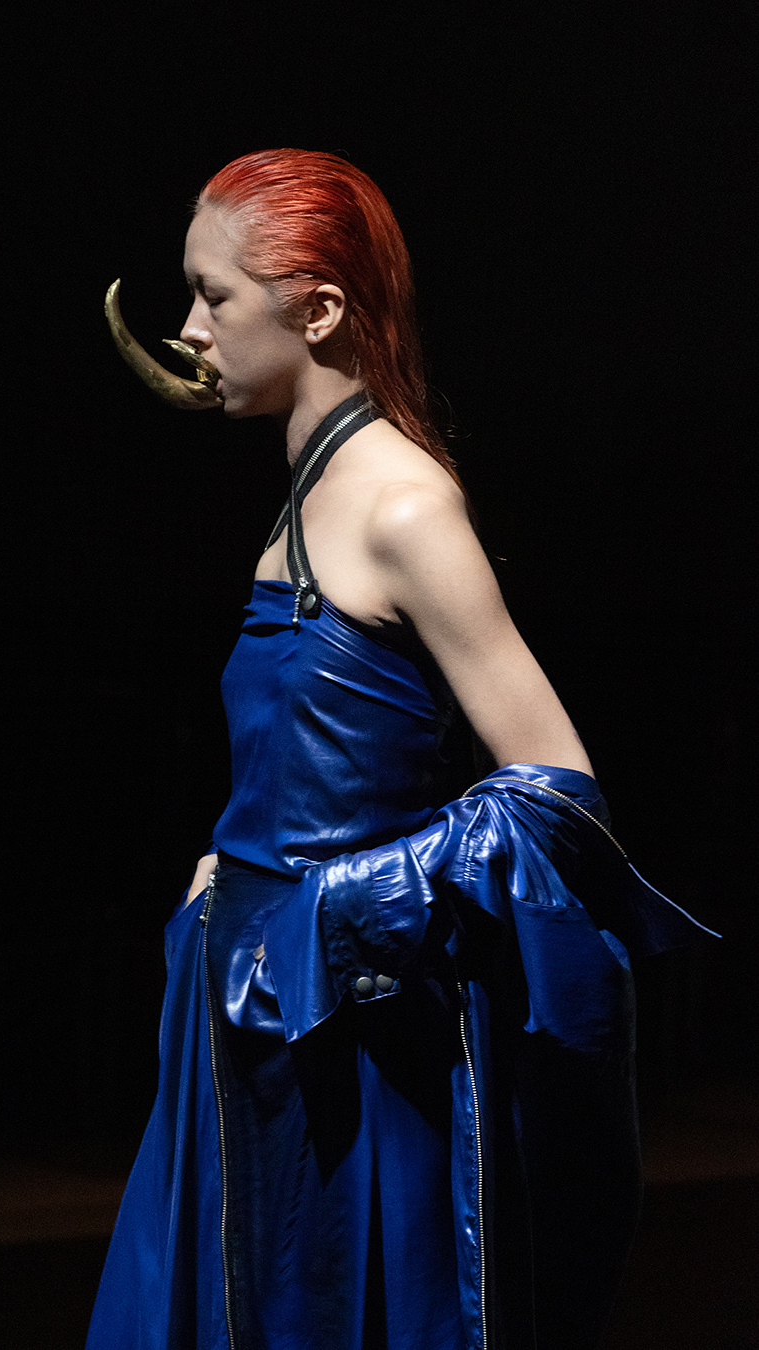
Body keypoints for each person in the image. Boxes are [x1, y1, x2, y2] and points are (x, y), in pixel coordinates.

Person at [89, 150, 712, 1350]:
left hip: (342, 1023)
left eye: (215, 296)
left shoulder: (403, 505)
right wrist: (232, 864)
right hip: (250, 1009)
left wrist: (338, 905)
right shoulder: (312, 484)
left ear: (318, 310)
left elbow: (556, 792)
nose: (192, 328)